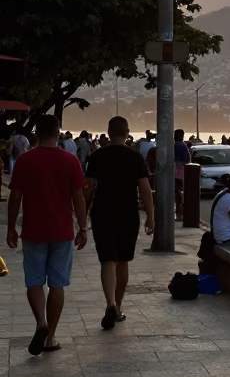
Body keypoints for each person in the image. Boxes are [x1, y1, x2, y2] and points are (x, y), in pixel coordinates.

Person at [5, 114, 88, 356]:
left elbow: (15, 197)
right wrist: (82, 227)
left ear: (37, 133)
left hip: (33, 230)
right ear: (58, 131)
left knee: (34, 281)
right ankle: (50, 336)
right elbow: (78, 198)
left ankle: (40, 322)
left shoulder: (25, 160)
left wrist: (11, 227)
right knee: (57, 284)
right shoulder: (70, 161)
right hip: (62, 231)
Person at [85, 116, 154, 330]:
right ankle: (119, 306)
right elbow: (144, 188)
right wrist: (150, 216)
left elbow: (88, 188)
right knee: (123, 261)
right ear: (127, 132)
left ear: (108, 132)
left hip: (102, 212)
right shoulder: (135, 157)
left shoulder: (97, 155)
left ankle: (110, 303)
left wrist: (82, 216)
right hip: (127, 213)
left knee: (108, 260)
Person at [174, 129, 191, 220]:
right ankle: (180, 214)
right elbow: (188, 159)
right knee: (179, 193)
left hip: (177, 173)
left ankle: (179, 214)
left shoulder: (176, 145)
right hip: (180, 173)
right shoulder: (183, 145)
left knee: (178, 194)